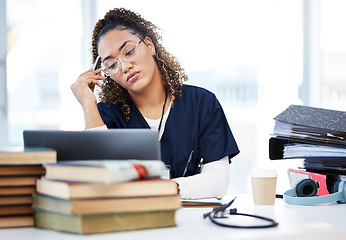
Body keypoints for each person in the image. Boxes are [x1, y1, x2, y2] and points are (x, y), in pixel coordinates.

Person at [71, 7, 240, 199]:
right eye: (111, 65)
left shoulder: (202, 104)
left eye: (129, 51)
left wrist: (164, 188)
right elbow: (98, 183)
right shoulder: (105, 115)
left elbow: (217, 181)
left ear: (150, 46)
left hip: (191, 224)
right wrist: (87, 104)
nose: (125, 66)